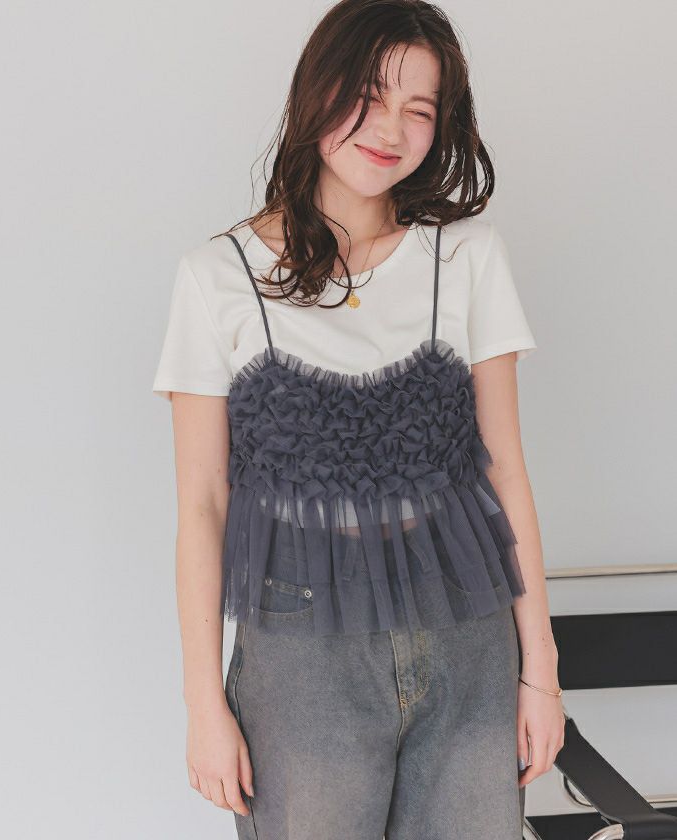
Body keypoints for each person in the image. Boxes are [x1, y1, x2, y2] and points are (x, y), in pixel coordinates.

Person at [152, 1, 565, 837]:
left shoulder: (467, 258)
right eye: (370, 97)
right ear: (318, 92)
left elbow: (505, 469)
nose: (391, 130)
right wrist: (203, 701)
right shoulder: (216, 278)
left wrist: (541, 671)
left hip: (468, 640)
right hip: (301, 657)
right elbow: (202, 503)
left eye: (420, 109)